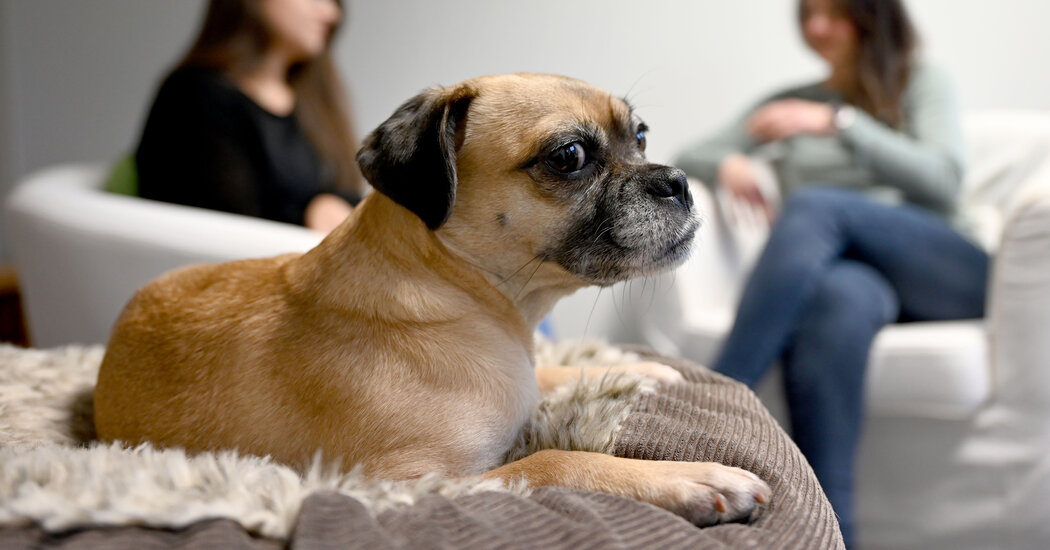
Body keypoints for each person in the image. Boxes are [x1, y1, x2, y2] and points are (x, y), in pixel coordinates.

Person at [675, 0, 988, 546]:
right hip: (860, 282)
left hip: (946, 270)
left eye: (835, 13)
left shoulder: (919, 80)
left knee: (819, 205)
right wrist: (728, 162)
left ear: (872, 18)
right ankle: (831, 532)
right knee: (838, 299)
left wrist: (840, 123)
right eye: (809, 13)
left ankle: (720, 397)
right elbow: (695, 150)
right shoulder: (792, 101)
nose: (817, 27)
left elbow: (942, 178)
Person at [135, 0, 363, 234]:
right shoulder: (192, 96)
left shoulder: (316, 106)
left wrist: (329, 204)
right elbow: (222, 230)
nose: (332, 14)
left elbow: (348, 191)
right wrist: (309, 213)